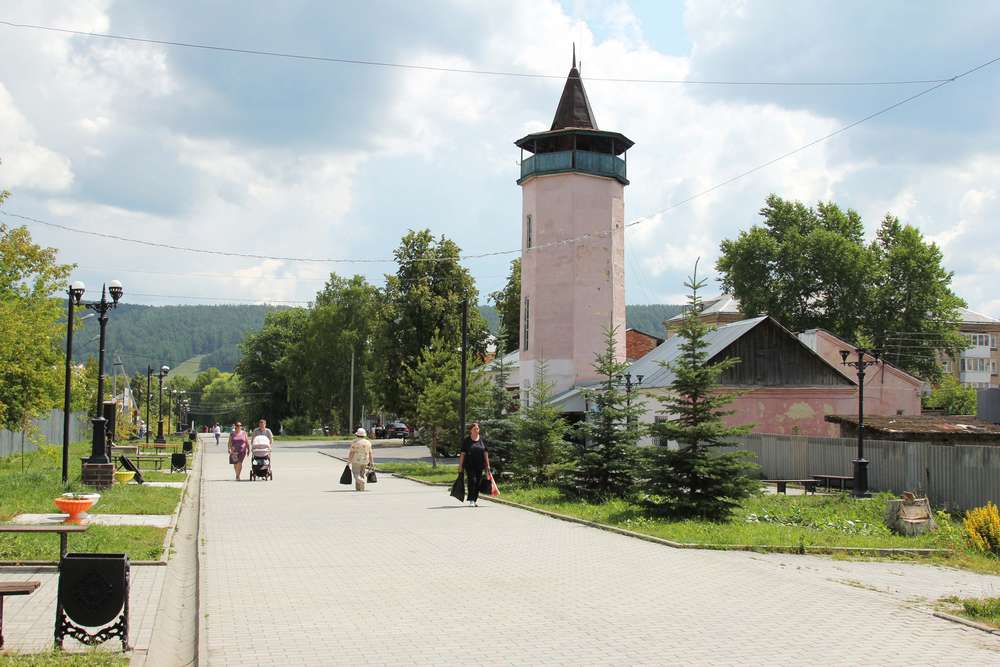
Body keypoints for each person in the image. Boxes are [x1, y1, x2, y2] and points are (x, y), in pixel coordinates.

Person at [458, 422, 491, 507]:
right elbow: (462, 454)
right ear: (471, 431)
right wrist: (460, 466)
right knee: (472, 481)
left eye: (477, 429)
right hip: (469, 465)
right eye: (475, 429)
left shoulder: (482, 440)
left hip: (480, 465)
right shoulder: (466, 441)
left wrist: (488, 465)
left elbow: (485, 453)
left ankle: (475, 499)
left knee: (478, 482)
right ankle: (471, 500)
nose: (477, 430)